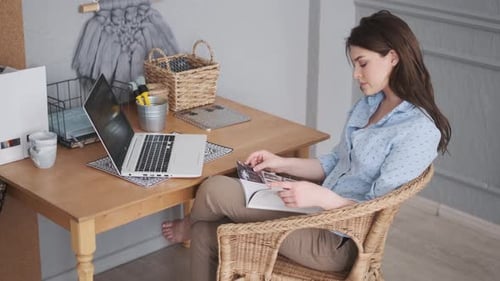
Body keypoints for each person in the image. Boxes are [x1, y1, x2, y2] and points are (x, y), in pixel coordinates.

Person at [162, 10, 451, 281]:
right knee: (203, 233)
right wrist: (281, 163)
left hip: (338, 240)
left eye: (363, 63)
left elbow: (374, 209)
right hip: (313, 212)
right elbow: (334, 163)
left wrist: (319, 197)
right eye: (354, 65)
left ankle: (186, 225)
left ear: (393, 58)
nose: (356, 74)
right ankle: (192, 227)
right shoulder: (370, 105)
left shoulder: (418, 130)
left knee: (214, 189)